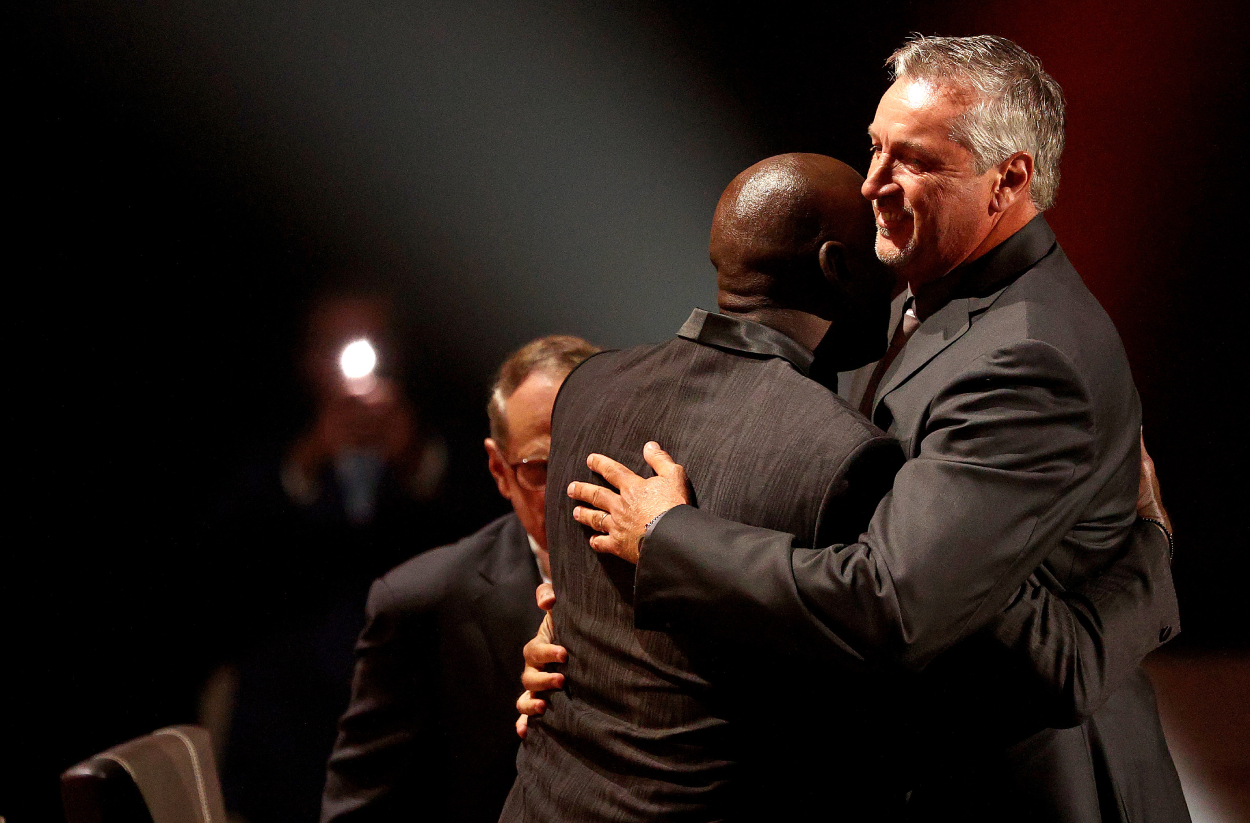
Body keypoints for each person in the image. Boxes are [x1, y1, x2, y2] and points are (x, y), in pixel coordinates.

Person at [562, 36, 1187, 821]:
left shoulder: (1031, 358)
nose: (871, 186)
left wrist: (671, 538)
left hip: (1011, 787)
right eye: (874, 148)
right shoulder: (910, 300)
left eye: (912, 161)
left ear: (1011, 180)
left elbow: (892, 603)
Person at [320, 334, 599, 823]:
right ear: (498, 469)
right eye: (541, 469)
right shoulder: (420, 601)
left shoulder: (674, 576)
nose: (570, 490)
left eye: (588, 462)